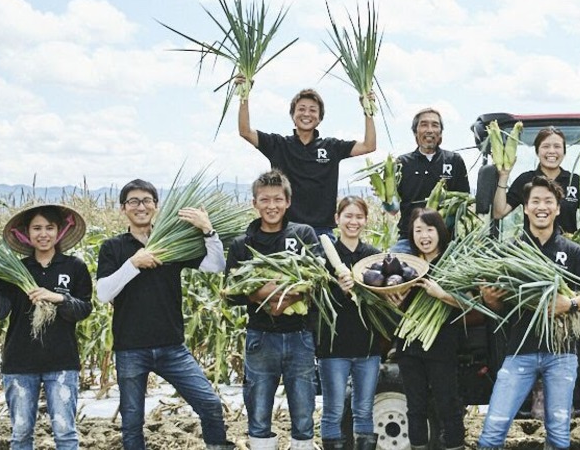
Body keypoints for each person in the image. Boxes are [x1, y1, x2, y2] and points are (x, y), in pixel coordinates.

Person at [96, 179, 233, 450]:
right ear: (123, 208)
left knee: (210, 403)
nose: (141, 206)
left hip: (172, 347)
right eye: (133, 201)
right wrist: (134, 263)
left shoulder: (172, 241)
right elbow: (103, 293)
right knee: (132, 421)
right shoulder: (113, 247)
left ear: (156, 206)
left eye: (147, 201)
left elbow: (215, 266)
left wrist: (208, 230)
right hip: (131, 348)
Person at [477, 176, 580, 450]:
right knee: (492, 432)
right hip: (520, 351)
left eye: (548, 201)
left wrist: (569, 305)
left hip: (561, 354)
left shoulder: (571, 251)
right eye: (535, 201)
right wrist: (490, 300)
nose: (541, 206)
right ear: (525, 208)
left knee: (559, 437)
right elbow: (502, 306)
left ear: (558, 208)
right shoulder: (511, 251)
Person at [0, 204, 93, 450]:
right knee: (21, 434)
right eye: (36, 228)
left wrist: (58, 298)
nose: (43, 233)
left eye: (49, 227)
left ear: (60, 232)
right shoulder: (15, 269)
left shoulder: (74, 267)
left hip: (62, 362)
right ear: (26, 233)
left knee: (65, 433)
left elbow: (84, 309)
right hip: (20, 362)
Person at [224, 170, 321, 450]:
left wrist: (285, 300)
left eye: (278, 199)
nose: (271, 205)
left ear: (288, 202)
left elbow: (316, 278)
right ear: (254, 203)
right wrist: (265, 295)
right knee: (258, 413)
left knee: (303, 413)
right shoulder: (243, 245)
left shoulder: (303, 234)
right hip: (260, 337)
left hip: (300, 336)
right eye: (264, 199)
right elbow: (231, 293)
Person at [238, 85, 377, 236]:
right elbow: (245, 131)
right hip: (286, 230)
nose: (306, 114)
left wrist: (368, 111)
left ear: (320, 118)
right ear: (293, 115)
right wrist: (244, 95)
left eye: (312, 110)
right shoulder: (278, 145)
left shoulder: (331, 147)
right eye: (301, 109)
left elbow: (368, 145)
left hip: (322, 232)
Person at [393, 208, 467, 450]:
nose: (424, 236)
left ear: (440, 232)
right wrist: (393, 301)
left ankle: (455, 445)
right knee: (415, 406)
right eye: (418, 230)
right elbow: (393, 301)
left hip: (441, 344)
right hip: (408, 345)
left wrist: (441, 294)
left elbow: (469, 302)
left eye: (429, 229)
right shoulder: (406, 265)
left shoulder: (453, 262)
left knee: (448, 404)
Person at [318, 196, 386, 450]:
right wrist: (339, 290)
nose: (353, 221)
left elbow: (382, 301)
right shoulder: (324, 257)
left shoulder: (373, 257)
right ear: (337, 219)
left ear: (366, 221)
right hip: (333, 346)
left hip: (367, 347)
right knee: (333, 410)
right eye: (348, 216)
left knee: (365, 411)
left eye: (359, 217)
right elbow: (317, 303)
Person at [492, 126, 580, 234]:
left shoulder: (575, 181)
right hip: (532, 252)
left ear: (564, 152)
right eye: (546, 146)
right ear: (537, 152)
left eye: (557, 146)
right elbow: (499, 212)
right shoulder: (525, 180)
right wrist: (503, 176)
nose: (552, 151)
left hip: (567, 251)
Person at [393, 108, 470, 254]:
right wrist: (385, 197)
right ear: (415, 132)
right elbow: (392, 208)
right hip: (409, 240)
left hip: (447, 241)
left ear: (440, 133)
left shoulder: (454, 160)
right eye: (424, 125)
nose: (429, 130)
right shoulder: (402, 163)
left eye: (435, 125)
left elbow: (463, 201)